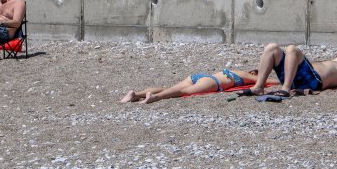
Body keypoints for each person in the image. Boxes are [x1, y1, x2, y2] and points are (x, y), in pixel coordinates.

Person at [239, 44, 337, 97]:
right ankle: (258, 87)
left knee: (292, 49)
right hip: (298, 75)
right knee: (272, 48)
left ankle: (285, 89)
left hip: (313, 81)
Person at [120, 68, 281, 104]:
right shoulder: (244, 75)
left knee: (169, 88)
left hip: (198, 76)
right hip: (213, 82)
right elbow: (269, 82)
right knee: (182, 92)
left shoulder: (230, 70)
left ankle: (136, 94)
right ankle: (153, 97)